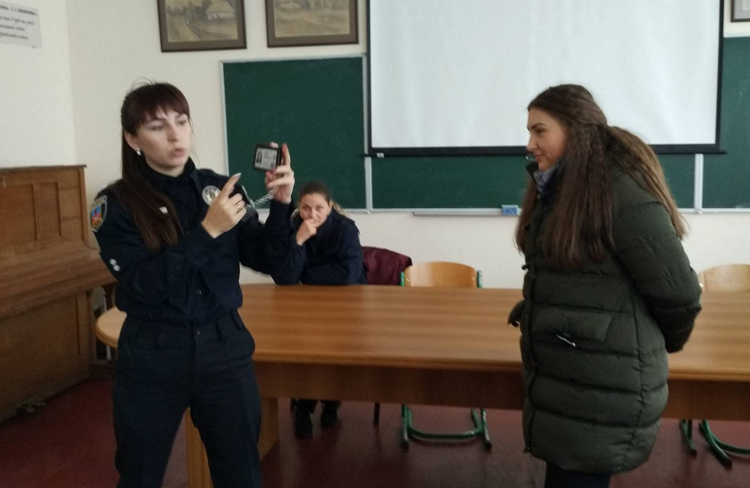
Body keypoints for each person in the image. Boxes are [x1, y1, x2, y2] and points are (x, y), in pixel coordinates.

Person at [91, 82, 295, 488]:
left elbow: (277, 265)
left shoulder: (220, 188)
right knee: (140, 473)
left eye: (182, 122)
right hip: (153, 353)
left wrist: (281, 204)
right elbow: (143, 285)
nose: (175, 135)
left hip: (224, 347)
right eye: (157, 127)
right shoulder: (115, 205)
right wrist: (207, 232)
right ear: (133, 139)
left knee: (241, 473)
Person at [508, 84, 702, 488]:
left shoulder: (621, 192)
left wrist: (652, 344)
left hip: (603, 382)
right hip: (575, 377)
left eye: (540, 131)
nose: (530, 144)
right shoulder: (557, 188)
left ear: (575, 130)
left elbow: (679, 292)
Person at [271, 181, 366, 438]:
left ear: (329, 207)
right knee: (305, 351)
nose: (312, 214)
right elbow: (284, 276)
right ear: (298, 207)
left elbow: (347, 274)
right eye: (306, 208)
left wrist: (306, 275)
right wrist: (299, 240)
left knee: (336, 352)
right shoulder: (293, 226)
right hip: (307, 305)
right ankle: (304, 406)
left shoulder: (345, 229)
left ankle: (331, 403)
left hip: (346, 303)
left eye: (319, 208)